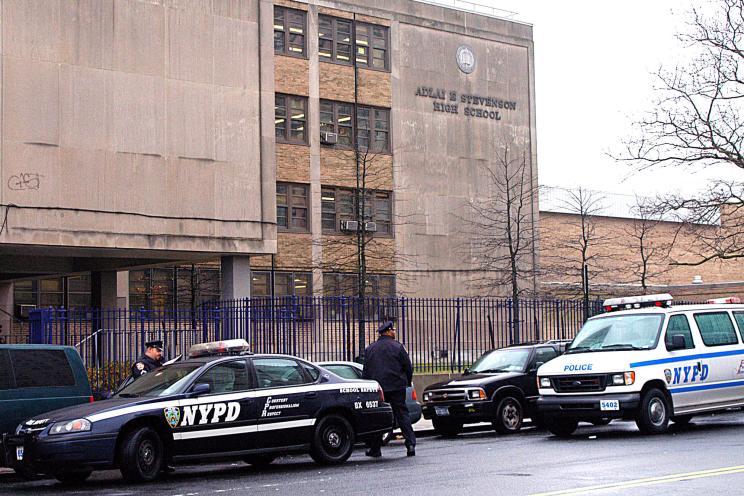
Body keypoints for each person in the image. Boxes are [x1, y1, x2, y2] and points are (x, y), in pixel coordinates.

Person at [362, 321, 416, 457]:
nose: (394, 332)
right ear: (388, 332)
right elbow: (408, 367)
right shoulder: (398, 347)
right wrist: (407, 381)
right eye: (393, 330)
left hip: (379, 389)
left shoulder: (370, 349)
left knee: (378, 417)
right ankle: (410, 445)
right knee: (402, 414)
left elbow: (366, 371)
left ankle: (375, 448)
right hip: (397, 386)